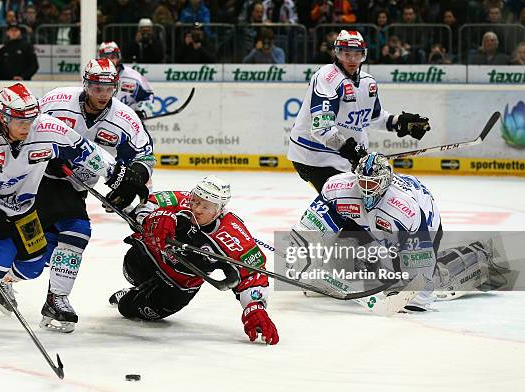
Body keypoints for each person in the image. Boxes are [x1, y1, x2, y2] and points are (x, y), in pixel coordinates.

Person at [0, 83, 126, 346]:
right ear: (2, 116)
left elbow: (85, 150)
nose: (27, 126)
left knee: (32, 266)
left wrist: (116, 174)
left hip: (24, 206)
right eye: (20, 120)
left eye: (31, 118)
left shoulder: (47, 128)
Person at [28, 58, 154, 332]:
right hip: (33, 180)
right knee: (29, 253)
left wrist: (132, 180)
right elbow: (24, 126)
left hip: (73, 187)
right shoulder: (56, 100)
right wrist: (42, 151)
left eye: (109, 88)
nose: (103, 94)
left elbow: (145, 156)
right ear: (85, 84)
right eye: (97, 87)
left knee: (75, 233)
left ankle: (56, 298)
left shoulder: (124, 118)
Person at [294, 152, 499, 310]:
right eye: (362, 182)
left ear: (383, 183)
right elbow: (312, 225)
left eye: (371, 184)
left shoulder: (404, 210)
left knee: (415, 287)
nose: (366, 189)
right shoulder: (338, 188)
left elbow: (419, 281)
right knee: (346, 259)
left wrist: (414, 293)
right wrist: (301, 253)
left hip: (424, 224)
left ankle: (477, 259)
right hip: (377, 224)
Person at [109, 176, 279, 345]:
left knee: (127, 308)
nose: (196, 208)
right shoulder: (181, 201)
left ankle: (132, 295)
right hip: (150, 259)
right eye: (195, 201)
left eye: (205, 206)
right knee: (130, 267)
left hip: (178, 286)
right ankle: (139, 286)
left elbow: (251, 274)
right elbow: (148, 203)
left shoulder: (231, 234)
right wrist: (154, 217)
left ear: (219, 210)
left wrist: (254, 307)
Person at [287, 30, 430, 193]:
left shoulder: (368, 82)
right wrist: (351, 151)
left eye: (357, 55)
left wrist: (401, 123)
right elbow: (322, 128)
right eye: (347, 54)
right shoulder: (327, 77)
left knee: (366, 201)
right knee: (346, 205)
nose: (352, 60)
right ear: (337, 54)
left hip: (344, 159)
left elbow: (374, 118)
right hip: (314, 158)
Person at [98, 41, 155, 120]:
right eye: (105, 57)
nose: (109, 61)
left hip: (127, 124)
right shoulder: (93, 77)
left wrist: (142, 110)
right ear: (99, 59)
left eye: (113, 57)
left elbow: (148, 96)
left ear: (118, 57)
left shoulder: (133, 76)